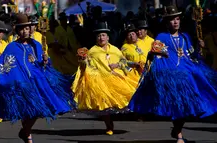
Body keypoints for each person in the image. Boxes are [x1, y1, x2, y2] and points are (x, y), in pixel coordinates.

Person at [0, 13, 75, 143]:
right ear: (17, 31)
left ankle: (25, 131)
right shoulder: (12, 46)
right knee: (28, 111)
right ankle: (27, 135)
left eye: (27, 28)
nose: (25, 31)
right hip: (22, 83)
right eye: (22, 29)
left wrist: (46, 61)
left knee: (39, 110)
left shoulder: (36, 45)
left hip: (38, 82)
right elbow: (2, 61)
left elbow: (42, 64)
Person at [128, 6, 217, 143]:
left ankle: (177, 130)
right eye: (171, 20)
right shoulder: (162, 37)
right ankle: (180, 136)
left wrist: (200, 47)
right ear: (166, 22)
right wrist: (157, 53)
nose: (175, 22)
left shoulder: (185, 37)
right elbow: (155, 53)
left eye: (177, 19)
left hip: (188, 73)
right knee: (177, 105)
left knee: (187, 105)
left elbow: (192, 56)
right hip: (172, 75)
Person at [72, 22, 139, 136]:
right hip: (100, 80)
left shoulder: (115, 49)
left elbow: (123, 61)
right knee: (104, 105)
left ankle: (131, 117)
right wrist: (82, 60)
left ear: (108, 37)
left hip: (116, 78)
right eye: (98, 36)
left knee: (126, 97)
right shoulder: (92, 51)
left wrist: (117, 65)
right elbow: (86, 65)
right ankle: (109, 125)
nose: (101, 37)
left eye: (103, 35)